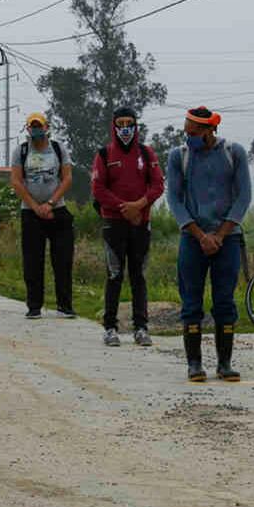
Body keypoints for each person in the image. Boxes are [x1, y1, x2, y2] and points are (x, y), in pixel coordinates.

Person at [165, 106, 252, 382]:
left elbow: (243, 197)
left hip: (227, 238)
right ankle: (194, 364)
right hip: (193, 238)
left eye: (194, 133)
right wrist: (200, 234)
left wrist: (221, 234)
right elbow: (175, 200)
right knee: (191, 302)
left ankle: (225, 363)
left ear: (209, 131)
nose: (188, 137)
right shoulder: (179, 157)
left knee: (225, 301)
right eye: (185, 132)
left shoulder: (233, 153)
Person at [92, 107, 164, 348]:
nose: (125, 128)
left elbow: (157, 185)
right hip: (114, 224)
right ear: (113, 126)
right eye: (120, 123)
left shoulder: (147, 152)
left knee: (138, 276)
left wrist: (140, 206)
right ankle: (110, 328)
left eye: (129, 123)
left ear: (136, 126)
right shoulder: (103, 154)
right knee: (114, 275)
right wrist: (125, 208)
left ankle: (141, 328)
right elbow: (98, 189)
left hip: (141, 224)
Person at [10, 112, 76, 319]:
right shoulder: (20, 151)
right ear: (28, 129)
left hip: (57, 210)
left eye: (40, 126)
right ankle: (34, 306)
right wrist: (34, 206)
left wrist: (50, 203)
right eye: (33, 126)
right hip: (30, 213)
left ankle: (64, 306)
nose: (36, 130)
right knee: (32, 261)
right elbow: (16, 181)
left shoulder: (58, 148)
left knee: (63, 259)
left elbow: (66, 178)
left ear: (47, 127)